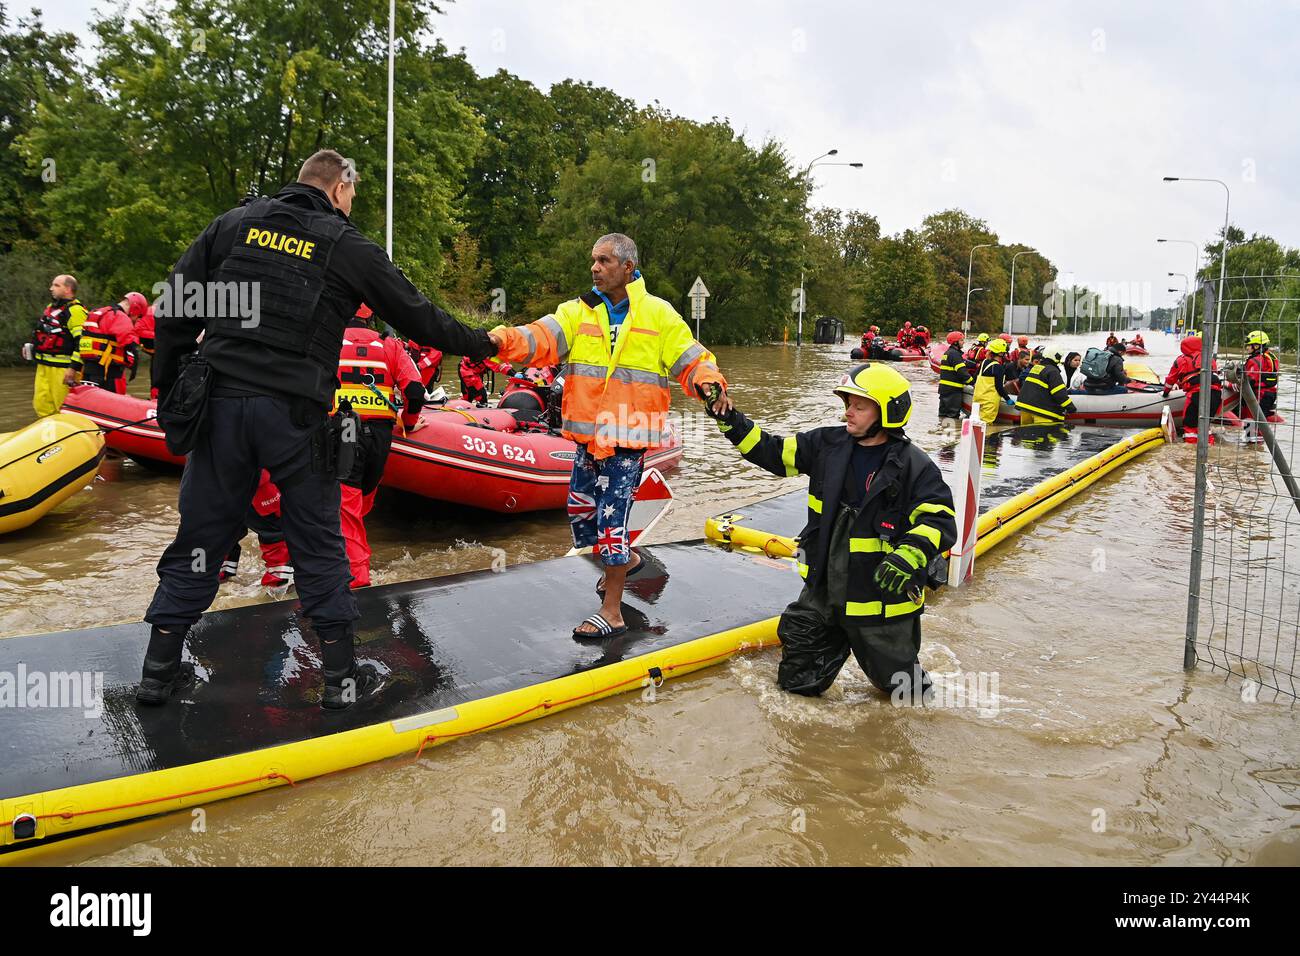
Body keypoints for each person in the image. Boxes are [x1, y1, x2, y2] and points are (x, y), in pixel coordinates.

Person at [140, 148, 498, 711]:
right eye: (352, 196)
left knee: (202, 539)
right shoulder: (347, 245)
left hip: (222, 408)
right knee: (318, 540)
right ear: (338, 189)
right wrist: (486, 343)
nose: (351, 206)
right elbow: (419, 316)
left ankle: (158, 672)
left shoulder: (233, 225)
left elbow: (173, 311)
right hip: (297, 417)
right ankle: (338, 678)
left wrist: (171, 397)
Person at [486, 232, 726, 639]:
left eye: (603, 260)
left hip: (626, 444)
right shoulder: (578, 312)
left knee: (611, 528)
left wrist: (710, 383)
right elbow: (537, 338)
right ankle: (627, 562)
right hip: (586, 441)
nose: (594, 267)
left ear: (627, 267)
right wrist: (495, 339)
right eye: (593, 260)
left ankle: (611, 610)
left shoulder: (659, 315)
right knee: (582, 518)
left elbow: (692, 358)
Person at [712, 363, 956, 702]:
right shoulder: (826, 445)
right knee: (796, 684)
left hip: (879, 599)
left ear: (887, 411)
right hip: (824, 590)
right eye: (847, 404)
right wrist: (729, 418)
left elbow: (938, 520)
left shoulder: (915, 466)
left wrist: (908, 555)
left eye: (859, 406)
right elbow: (772, 452)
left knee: (907, 695)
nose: (848, 413)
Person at [335, 307, 425, 588]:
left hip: (343, 432)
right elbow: (414, 390)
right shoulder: (390, 345)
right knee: (361, 503)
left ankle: (356, 577)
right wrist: (408, 423)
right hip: (380, 436)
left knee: (346, 508)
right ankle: (350, 558)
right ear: (371, 316)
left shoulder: (329, 340)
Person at [24, 274, 88, 417]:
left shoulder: (76, 311)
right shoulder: (50, 309)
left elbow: (83, 342)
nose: (51, 288)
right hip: (44, 366)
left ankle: (68, 434)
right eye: (52, 285)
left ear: (68, 289)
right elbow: (43, 332)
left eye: (56, 285)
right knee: (41, 404)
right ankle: (48, 435)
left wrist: (73, 368)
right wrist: (32, 346)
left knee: (63, 407)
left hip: (63, 369)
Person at [219, 470, 294, 589]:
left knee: (220, 533)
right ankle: (280, 587)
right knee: (278, 534)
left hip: (214, 484)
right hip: (255, 482)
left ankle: (213, 579)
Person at [73, 296, 141, 394]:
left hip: (87, 373)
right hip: (108, 375)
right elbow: (130, 343)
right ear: (135, 309)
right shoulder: (120, 316)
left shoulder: (96, 312)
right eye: (138, 316)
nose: (136, 320)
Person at [1164, 336, 1221, 443]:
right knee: (1205, 424)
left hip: (1196, 394)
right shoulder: (1209, 358)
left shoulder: (1181, 360)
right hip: (1216, 394)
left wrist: (1165, 393)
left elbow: (1170, 380)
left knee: (1190, 424)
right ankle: (1209, 445)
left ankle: (1190, 451)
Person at [1016, 347, 1076, 425]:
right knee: (1043, 435)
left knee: (1025, 435)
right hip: (1041, 412)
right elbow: (1059, 393)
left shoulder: (1036, 368)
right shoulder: (1052, 371)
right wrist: (1070, 407)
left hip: (1025, 408)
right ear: (1057, 357)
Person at [1242, 330, 1279, 443]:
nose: (1247, 347)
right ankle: (1257, 448)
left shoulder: (1255, 360)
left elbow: (1249, 380)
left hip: (1259, 394)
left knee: (1251, 421)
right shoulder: (1270, 357)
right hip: (1270, 393)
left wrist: (1234, 383)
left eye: (1249, 345)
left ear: (1257, 345)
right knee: (1259, 423)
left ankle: (1252, 446)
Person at [972, 338, 1014, 425]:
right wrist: (1007, 399)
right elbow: (999, 387)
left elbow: (975, 377)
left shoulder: (984, 362)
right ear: (1001, 353)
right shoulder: (998, 367)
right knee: (985, 426)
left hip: (977, 398)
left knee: (975, 423)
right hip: (989, 402)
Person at [937, 331, 970, 422]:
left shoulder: (948, 353)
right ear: (955, 342)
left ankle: (941, 433)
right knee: (952, 417)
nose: (963, 342)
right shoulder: (955, 354)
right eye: (961, 340)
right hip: (953, 391)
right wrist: (973, 382)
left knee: (942, 416)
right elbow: (962, 372)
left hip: (944, 389)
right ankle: (950, 434)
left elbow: (962, 364)